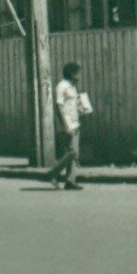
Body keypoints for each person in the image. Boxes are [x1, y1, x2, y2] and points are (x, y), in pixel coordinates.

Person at [48, 62, 91, 191]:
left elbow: (72, 104)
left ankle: (70, 181)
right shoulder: (62, 86)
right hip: (67, 124)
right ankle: (53, 174)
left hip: (75, 123)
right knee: (71, 153)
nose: (79, 75)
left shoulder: (72, 87)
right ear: (71, 73)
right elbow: (58, 106)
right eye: (77, 73)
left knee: (74, 153)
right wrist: (65, 126)